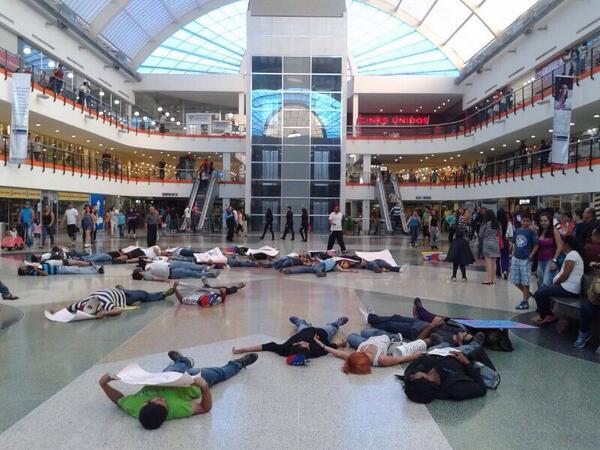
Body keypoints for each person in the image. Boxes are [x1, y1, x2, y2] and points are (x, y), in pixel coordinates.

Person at [99, 351, 258, 430]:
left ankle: (184, 361)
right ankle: (238, 364)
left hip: (167, 377)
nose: (162, 399)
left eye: (157, 400)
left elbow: (118, 400)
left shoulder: (134, 407)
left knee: (174, 367)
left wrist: (104, 384)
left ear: (145, 404)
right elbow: (204, 408)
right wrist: (203, 387)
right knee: (219, 373)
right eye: (164, 404)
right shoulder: (176, 409)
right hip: (192, 383)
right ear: (167, 412)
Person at [401, 336, 496, 404]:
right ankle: (473, 342)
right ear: (427, 379)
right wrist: (467, 362)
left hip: (440, 352)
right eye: (414, 377)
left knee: (445, 339)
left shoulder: (416, 378)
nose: (412, 375)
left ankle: (456, 338)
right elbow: (481, 389)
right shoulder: (455, 388)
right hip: (462, 358)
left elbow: (409, 370)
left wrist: (423, 356)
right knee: (471, 349)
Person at [232, 316, 349, 364]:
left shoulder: (284, 349)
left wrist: (243, 349)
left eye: (304, 344)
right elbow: (331, 348)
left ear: (296, 344)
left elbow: (265, 347)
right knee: (331, 328)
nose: (307, 343)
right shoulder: (315, 351)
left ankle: (300, 322)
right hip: (322, 333)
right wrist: (341, 344)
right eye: (307, 345)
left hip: (304, 330)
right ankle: (336, 323)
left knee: (301, 326)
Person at [533, 236, 584, 324]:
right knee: (541, 291)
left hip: (569, 289)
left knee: (539, 293)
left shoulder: (572, 254)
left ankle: (547, 315)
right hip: (567, 287)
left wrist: (556, 283)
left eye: (562, 243)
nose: (560, 245)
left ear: (567, 244)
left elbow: (565, 274)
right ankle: (546, 314)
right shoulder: (572, 254)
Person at [50, 285, 176, 318]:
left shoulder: (104, 303)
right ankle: (121, 289)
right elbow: (68, 307)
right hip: (117, 295)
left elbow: (118, 310)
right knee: (141, 295)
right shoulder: (83, 303)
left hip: (124, 295)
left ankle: (163, 294)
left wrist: (104, 313)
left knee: (144, 295)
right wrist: (57, 311)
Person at [512, 214, 539, 310]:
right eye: (524, 220)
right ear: (521, 221)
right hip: (516, 257)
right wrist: (513, 254)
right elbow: (515, 243)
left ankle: (525, 301)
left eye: (528, 221)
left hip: (525, 259)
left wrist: (531, 255)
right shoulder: (517, 231)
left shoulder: (531, 232)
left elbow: (536, 245)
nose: (525, 222)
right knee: (515, 280)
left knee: (525, 281)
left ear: (530, 222)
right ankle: (527, 294)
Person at [534, 212, 563, 288]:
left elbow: (560, 246)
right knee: (539, 282)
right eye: (541, 221)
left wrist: (554, 261)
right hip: (540, 261)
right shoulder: (540, 231)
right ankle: (541, 299)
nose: (543, 223)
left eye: (545, 221)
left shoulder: (554, 231)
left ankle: (546, 299)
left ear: (550, 221)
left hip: (550, 260)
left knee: (546, 283)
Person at [174, 279, 246, 307]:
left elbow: (181, 299)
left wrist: (175, 287)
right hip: (213, 292)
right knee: (226, 289)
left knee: (206, 287)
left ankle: (206, 284)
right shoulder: (213, 300)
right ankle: (238, 287)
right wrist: (223, 292)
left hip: (200, 291)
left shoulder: (192, 301)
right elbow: (222, 300)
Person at [132, 260, 218, 281]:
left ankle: (206, 268)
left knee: (190, 266)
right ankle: (211, 275)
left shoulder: (148, 266)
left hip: (170, 265)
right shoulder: (146, 274)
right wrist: (164, 280)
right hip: (172, 273)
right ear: (139, 272)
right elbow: (155, 278)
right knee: (192, 273)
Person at [479, 209, 500, 285]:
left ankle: (488, 279)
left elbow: (480, 234)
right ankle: (494, 278)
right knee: (494, 263)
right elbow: (499, 233)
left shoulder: (485, 223)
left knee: (488, 263)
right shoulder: (497, 223)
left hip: (487, 243)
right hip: (495, 243)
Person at [282, 257, 357, 277]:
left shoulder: (335, 265)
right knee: (303, 269)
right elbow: (320, 260)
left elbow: (342, 270)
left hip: (320, 266)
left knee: (303, 269)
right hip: (319, 266)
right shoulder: (331, 260)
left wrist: (351, 271)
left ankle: (289, 271)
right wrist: (316, 258)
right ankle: (288, 271)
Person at [18, 262, 103, 276]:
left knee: (76, 268)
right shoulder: (33, 272)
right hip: (58, 270)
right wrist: (37, 270)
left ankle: (95, 268)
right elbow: (46, 274)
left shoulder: (30, 267)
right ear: (24, 272)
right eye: (23, 268)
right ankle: (96, 271)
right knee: (77, 270)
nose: (24, 267)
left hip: (57, 266)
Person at [495, 209, 512, 279]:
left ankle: (498, 273)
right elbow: (511, 235)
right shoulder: (509, 224)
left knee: (497, 258)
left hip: (497, 241)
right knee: (505, 257)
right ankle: (505, 270)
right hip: (505, 241)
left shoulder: (495, 224)